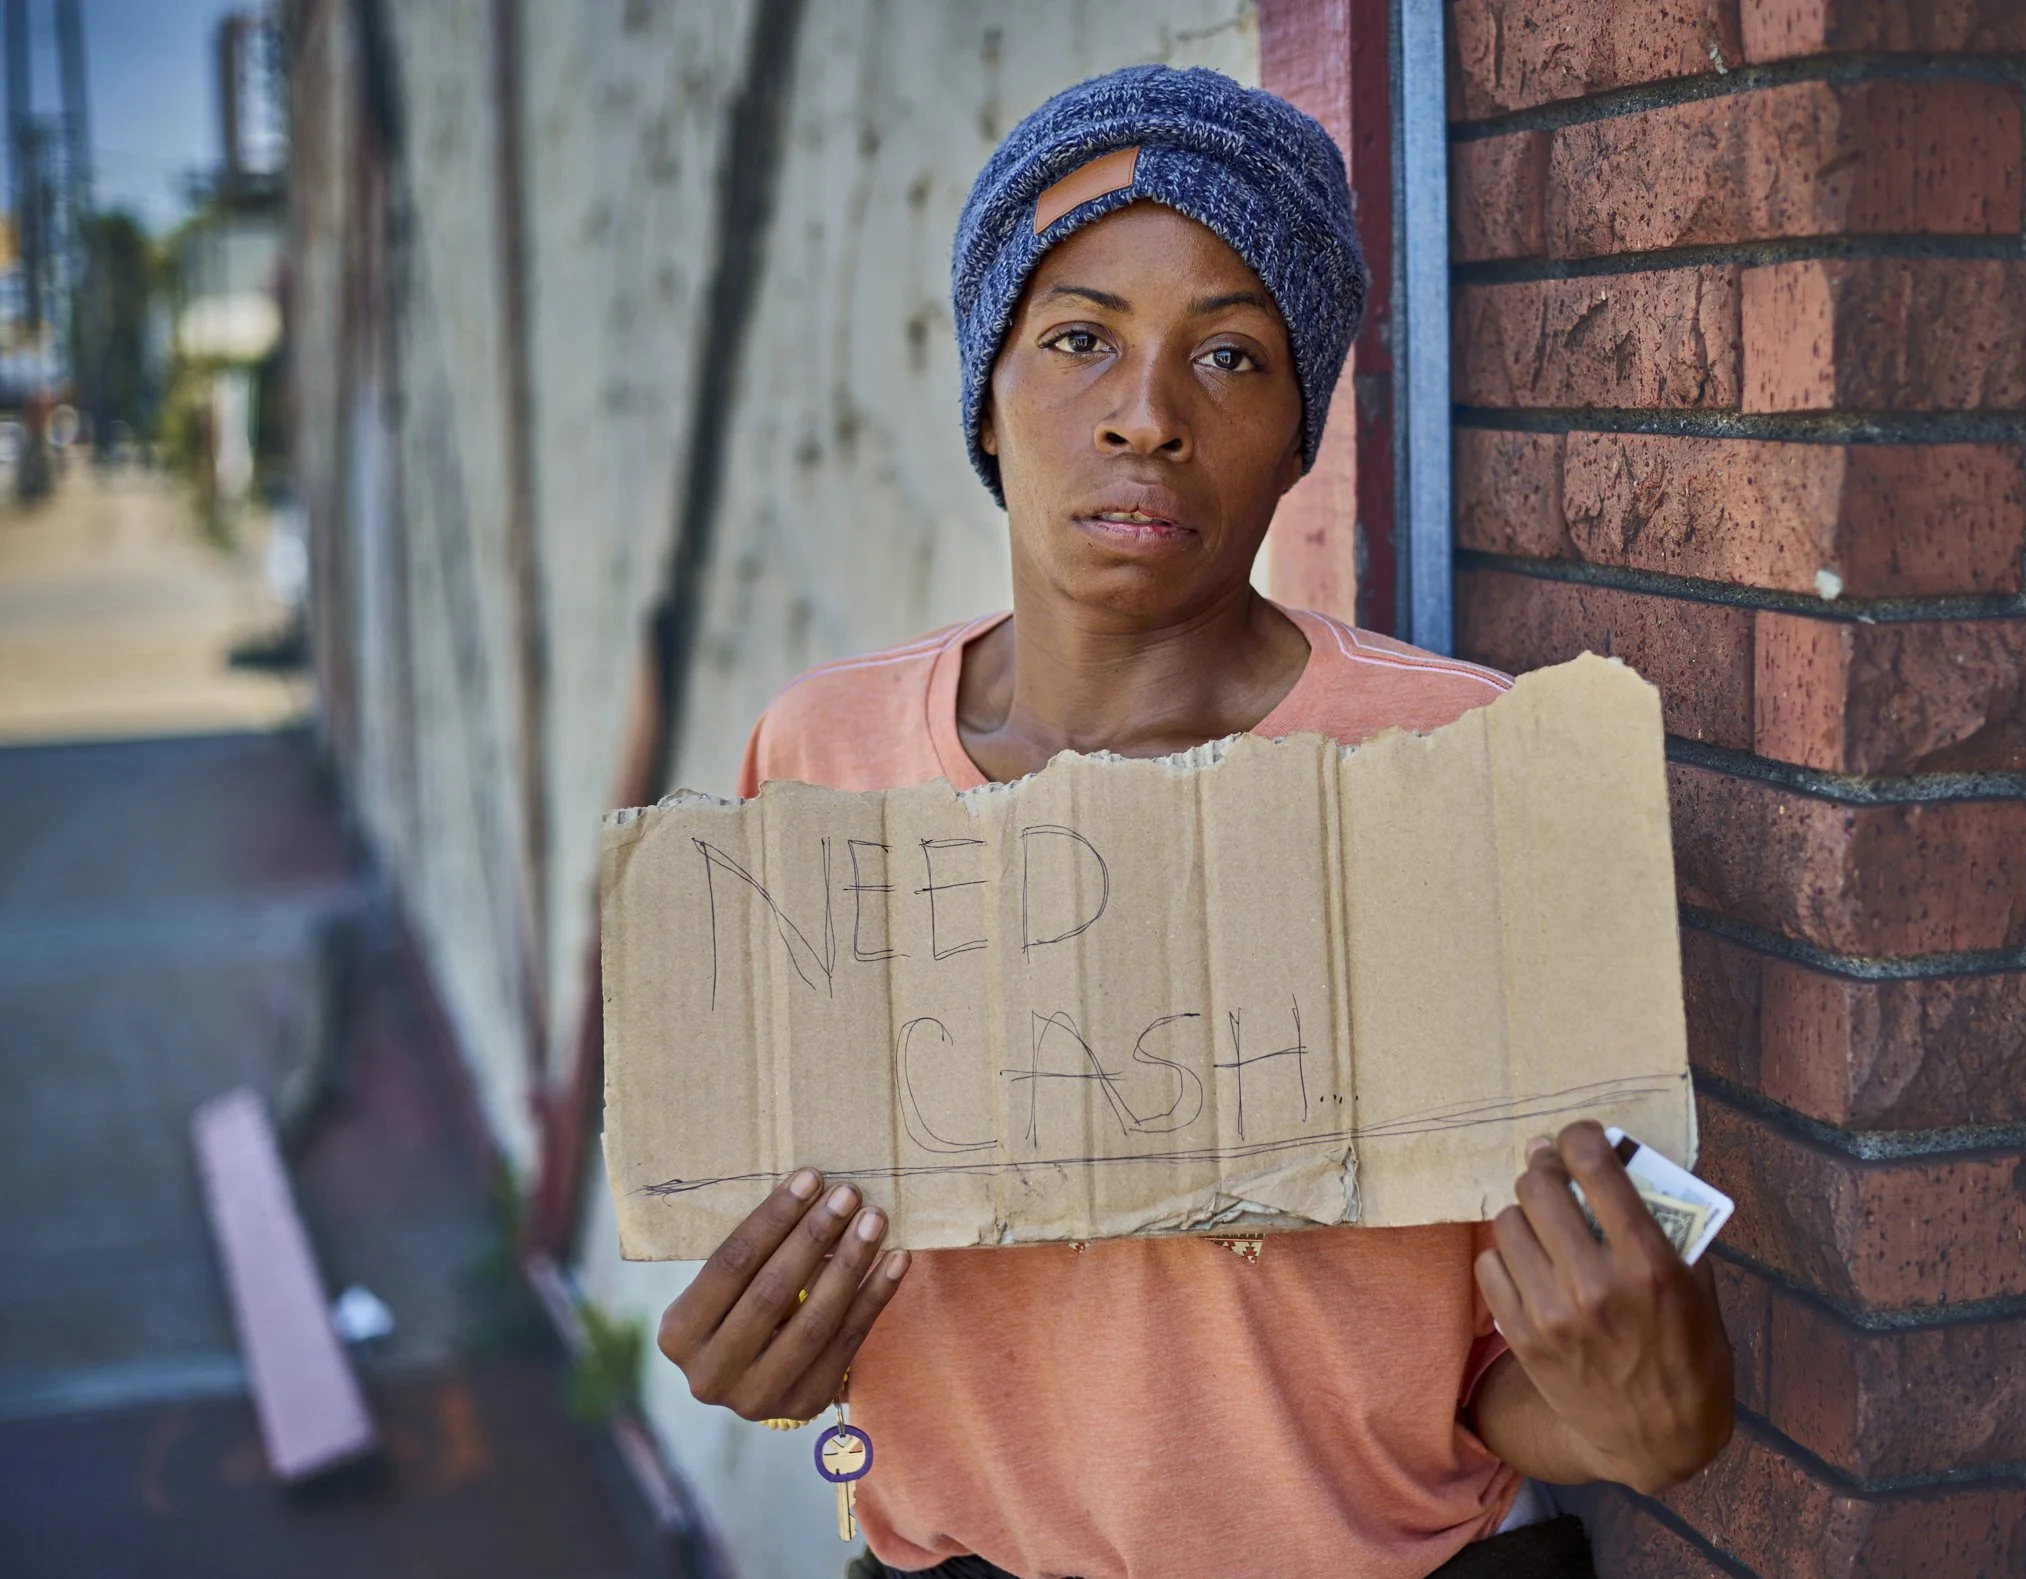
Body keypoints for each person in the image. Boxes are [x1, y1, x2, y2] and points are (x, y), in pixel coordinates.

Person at [655, 66, 1731, 1579]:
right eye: (1078, 338)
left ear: (1300, 425)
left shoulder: (1468, 763)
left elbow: (1495, 1385)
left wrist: (1642, 1410)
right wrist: (777, 1379)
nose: (1146, 418)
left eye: (1228, 354)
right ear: (987, 381)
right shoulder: (822, 756)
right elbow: (821, 1313)